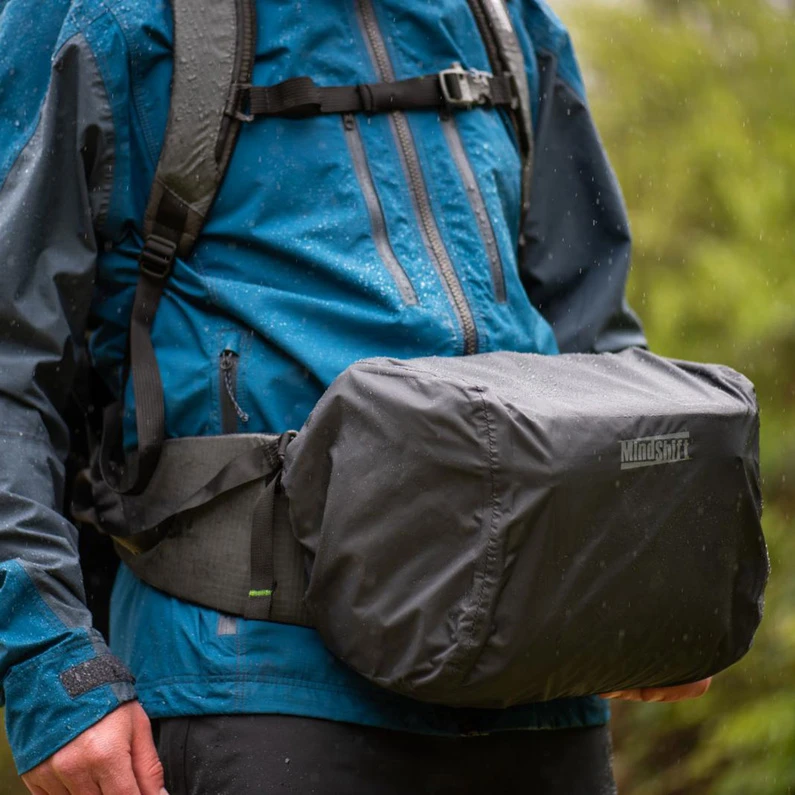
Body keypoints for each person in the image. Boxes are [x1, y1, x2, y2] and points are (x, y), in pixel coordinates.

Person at [0, 1, 710, 793]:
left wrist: (647, 576)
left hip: (539, 694)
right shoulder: (104, 16)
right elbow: (10, 362)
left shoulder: (505, 20)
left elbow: (591, 334)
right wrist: (53, 670)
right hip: (260, 685)